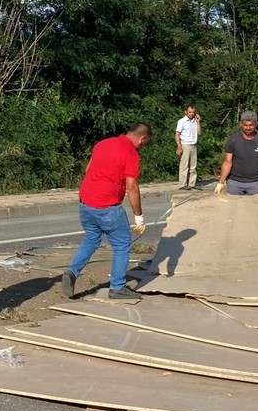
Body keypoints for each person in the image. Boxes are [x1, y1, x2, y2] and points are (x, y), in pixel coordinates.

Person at [59, 123, 152, 301]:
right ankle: (117, 287)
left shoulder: (102, 144)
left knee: (92, 239)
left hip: (85, 203)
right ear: (142, 139)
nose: (142, 146)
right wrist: (138, 216)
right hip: (107, 207)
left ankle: (71, 272)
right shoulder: (131, 153)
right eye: (144, 143)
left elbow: (88, 170)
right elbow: (132, 186)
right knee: (122, 244)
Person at [214, 110, 258, 196]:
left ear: (256, 124)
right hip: (235, 183)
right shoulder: (233, 140)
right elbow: (227, 162)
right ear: (241, 124)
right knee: (233, 208)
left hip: (255, 183)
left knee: (254, 208)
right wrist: (221, 182)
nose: (248, 128)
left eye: (251, 125)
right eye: (245, 125)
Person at [175, 106, 201, 190]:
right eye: (190, 112)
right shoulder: (181, 121)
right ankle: (182, 184)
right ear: (186, 112)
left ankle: (192, 183)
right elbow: (177, 134)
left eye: (193, 112)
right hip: (185, 144)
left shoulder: (195, 121)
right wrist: (179, 147)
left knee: (193, 166)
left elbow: (199, 132)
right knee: (184, 166)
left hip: (194, 145)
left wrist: (198, 122)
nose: (191, 114)